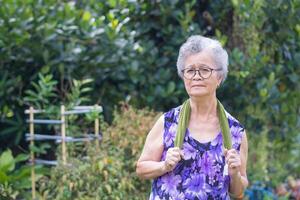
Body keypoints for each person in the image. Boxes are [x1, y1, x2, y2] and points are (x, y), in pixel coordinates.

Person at [136, 35, 248, 200]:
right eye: (190, 70)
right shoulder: (168, 123)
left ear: (219, 77)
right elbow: (141, 168)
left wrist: (235, 174)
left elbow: (238, 191)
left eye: (204, 70)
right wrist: (164, 165)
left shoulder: (235, 131)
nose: (196, 76)